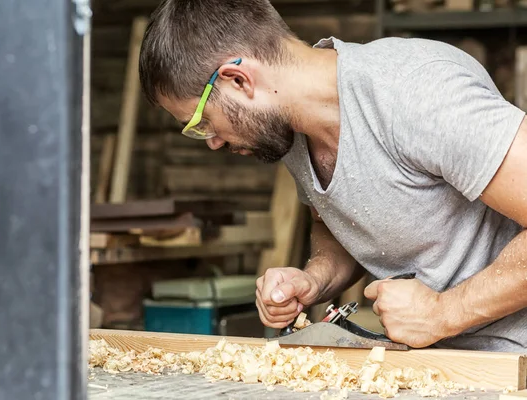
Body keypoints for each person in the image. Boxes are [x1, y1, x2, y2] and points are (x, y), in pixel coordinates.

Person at [138, 0, 527, 352]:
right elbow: (350, 216)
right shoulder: (290, 132)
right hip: (435, 364)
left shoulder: (415, 92)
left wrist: (443, 313)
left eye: (202, 122)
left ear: (238, 80)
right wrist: (315, 279)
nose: (212, 142)